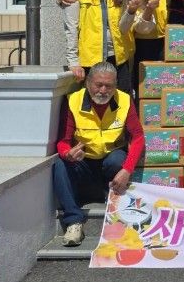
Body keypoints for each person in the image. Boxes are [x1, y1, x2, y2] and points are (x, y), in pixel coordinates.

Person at [52, 61, 145, 246]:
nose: (103, 90)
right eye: (98, 85)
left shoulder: (125, 100)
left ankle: (114, 203)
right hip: (84, 161)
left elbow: (138, 137)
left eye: (109, 86)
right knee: (60, 165)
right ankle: (74, 222)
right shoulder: (73, 100)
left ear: (115, 85)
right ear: (88, 83)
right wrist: (67, 153)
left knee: (118, 159)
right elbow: (63, 141)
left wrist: (127, 170)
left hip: (110, 162)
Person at [59, 0, 157, 94]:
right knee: (92, 99)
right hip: (90, 58)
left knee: (121, 99)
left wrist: (145, 10)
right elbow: (71, 26)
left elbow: (134, 28)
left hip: (120, 58)